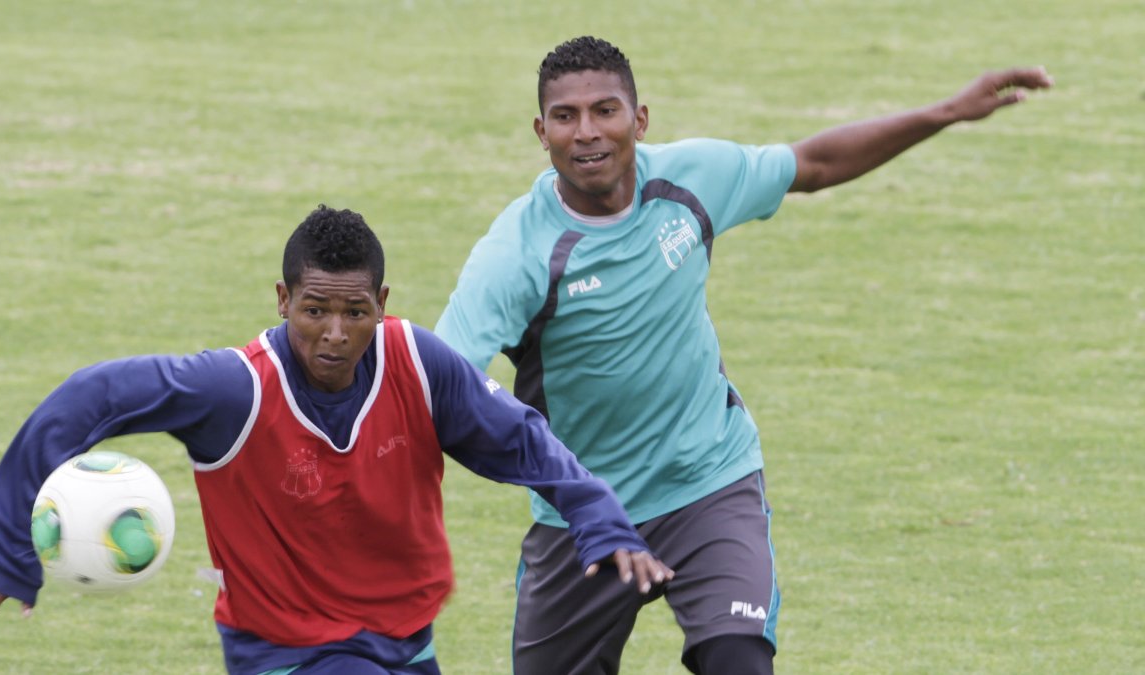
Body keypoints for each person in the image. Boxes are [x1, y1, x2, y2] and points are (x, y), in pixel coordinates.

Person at [434, 36, 1052, 675]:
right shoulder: (518, 253)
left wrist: (946, 112)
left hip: (708, 483)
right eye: (566, 117)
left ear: (640, 120)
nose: (587, 132)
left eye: (606, 110)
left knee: (738, 660)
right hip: (585, 520)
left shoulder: (690, 181)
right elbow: (441, 381)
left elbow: (812, 165)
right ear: (541, 131)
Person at [0, 204, 673, 675]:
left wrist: (595, 515)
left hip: (405, 644)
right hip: (288, 652)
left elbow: (519, 439)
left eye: (354, 312)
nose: (334, 334)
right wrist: (7, 543)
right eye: (314, 310)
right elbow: (93, 395)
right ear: (282, 300)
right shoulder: (233, 389)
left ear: (382, 305)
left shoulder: (419, 365)